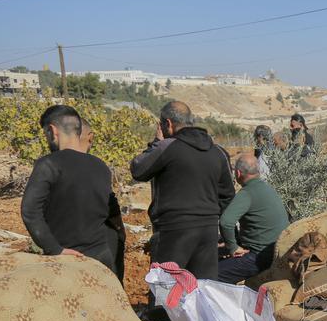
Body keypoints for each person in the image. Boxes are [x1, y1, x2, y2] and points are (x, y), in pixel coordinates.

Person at [130, 100, 235, 281]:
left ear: (168, 124)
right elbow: (227, 197)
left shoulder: (166, 147)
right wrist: (228, 237)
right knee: (203, 290)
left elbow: (138, 170)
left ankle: (161, 311)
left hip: (173, 230)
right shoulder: (218, 152)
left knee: (166, 289)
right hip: (208, 231)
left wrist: (156, 142)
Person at [21, 105, 121, 274]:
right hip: (101, 258)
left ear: (52, 131)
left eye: (46, 134)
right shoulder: (101, 166)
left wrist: (54, 249)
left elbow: (30, 211)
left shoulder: (49, 164)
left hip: (67, 261)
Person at [217, 154, 290, 284]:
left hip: (259, 257)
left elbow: (226, 222)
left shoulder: (247, 193)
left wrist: (233, 247)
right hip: (278, 251)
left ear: (238, 173)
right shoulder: (267, 188)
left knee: (211, 273)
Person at [75, 114, 127, 282]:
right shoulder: (97, 166)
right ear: (90, 137)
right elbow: (109, 203)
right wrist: (120, 230)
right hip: (98, 241)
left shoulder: (50, 164)